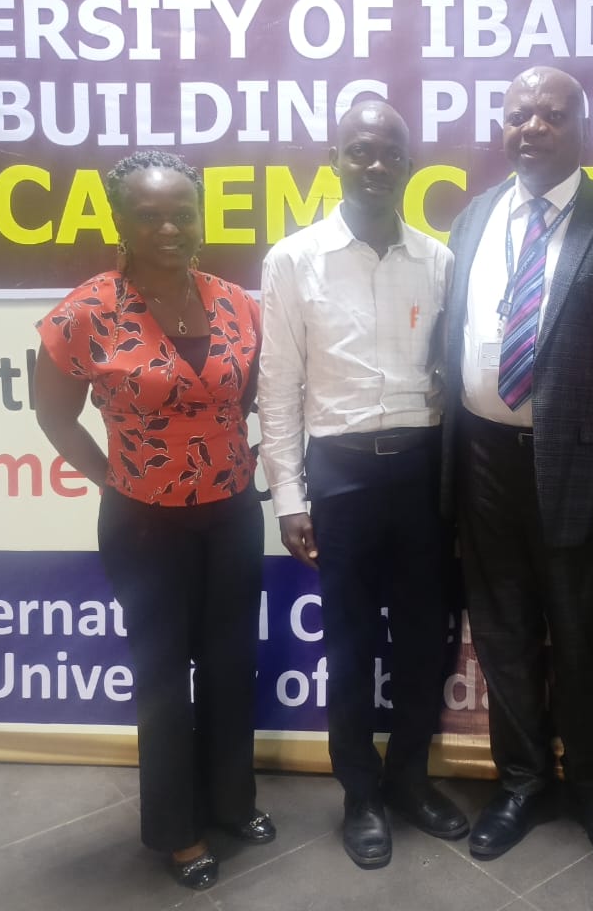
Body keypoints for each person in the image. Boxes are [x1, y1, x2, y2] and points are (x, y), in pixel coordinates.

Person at [441, 66, 593, 866]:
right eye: (517, 115)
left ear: (581, 127)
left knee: (583, 642)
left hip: (585, 477)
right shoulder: (474, 219)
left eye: (551, 114)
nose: (531, 127)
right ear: (501, 127)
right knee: (503, 633)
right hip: (483, 461)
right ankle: (522, 781)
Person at [33, 150, 274, 892]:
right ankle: (177, 830)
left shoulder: (236, 303)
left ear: (201, 219)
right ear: (120, 222)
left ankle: (232, 801)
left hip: (232, 515)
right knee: (165, 679)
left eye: (182, 213)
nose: (169, 227)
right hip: (144, 527)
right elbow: (53, 415)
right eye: (149, 215)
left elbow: (245, 399)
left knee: (231, 663)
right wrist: (115, 478)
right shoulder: (84, 314)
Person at [257, 100, 466, 870]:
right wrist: (289, 498)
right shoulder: (293, 260)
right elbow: (277, 387)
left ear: (409, 164)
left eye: (389, 152)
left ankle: (408, 777)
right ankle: (360, 794)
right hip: (339, 472)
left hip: (423, 469)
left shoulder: (439, 260)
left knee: (425, 639)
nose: (376, 165)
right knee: (348, 645)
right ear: (336, 161)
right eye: (360, 151)